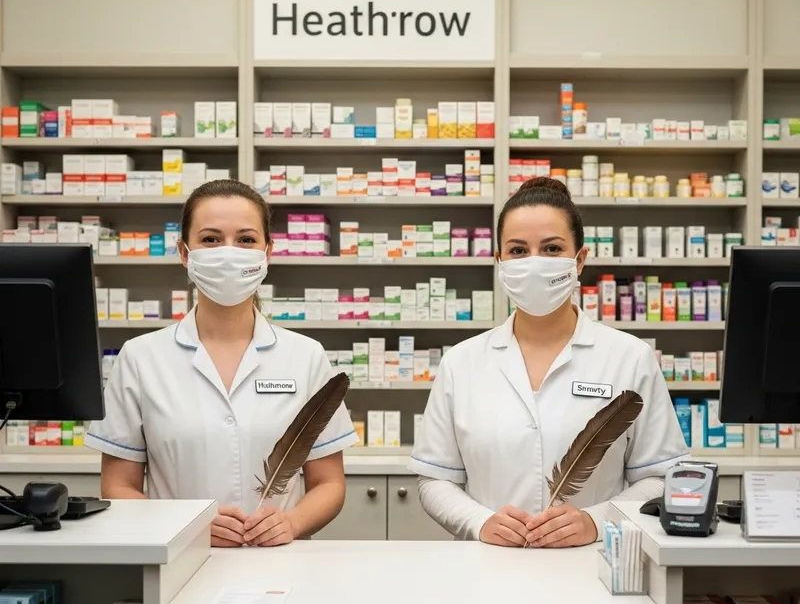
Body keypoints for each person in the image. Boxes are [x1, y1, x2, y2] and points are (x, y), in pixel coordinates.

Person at [409, 177, 689, 547]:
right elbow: (435, 479)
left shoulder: (629, 357)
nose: (534, 263)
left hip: (594, 565)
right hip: (487, 569)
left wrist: (596, 521)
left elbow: (659, 477)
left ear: (580, 259)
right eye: (518, 250)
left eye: (552, 248)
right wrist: (479, 521)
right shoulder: (462, 363)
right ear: (500, 261)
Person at [87, 179, 358, 548]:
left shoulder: (305, 355)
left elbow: (329, 483)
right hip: (177, 563)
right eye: (211, 239)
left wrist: (291, 523)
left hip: (281, 563)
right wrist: (187, 527)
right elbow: (118, 486)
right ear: (185, 252)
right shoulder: (140, 357)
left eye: (246, 240)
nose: (228, 253)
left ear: (267, 252)